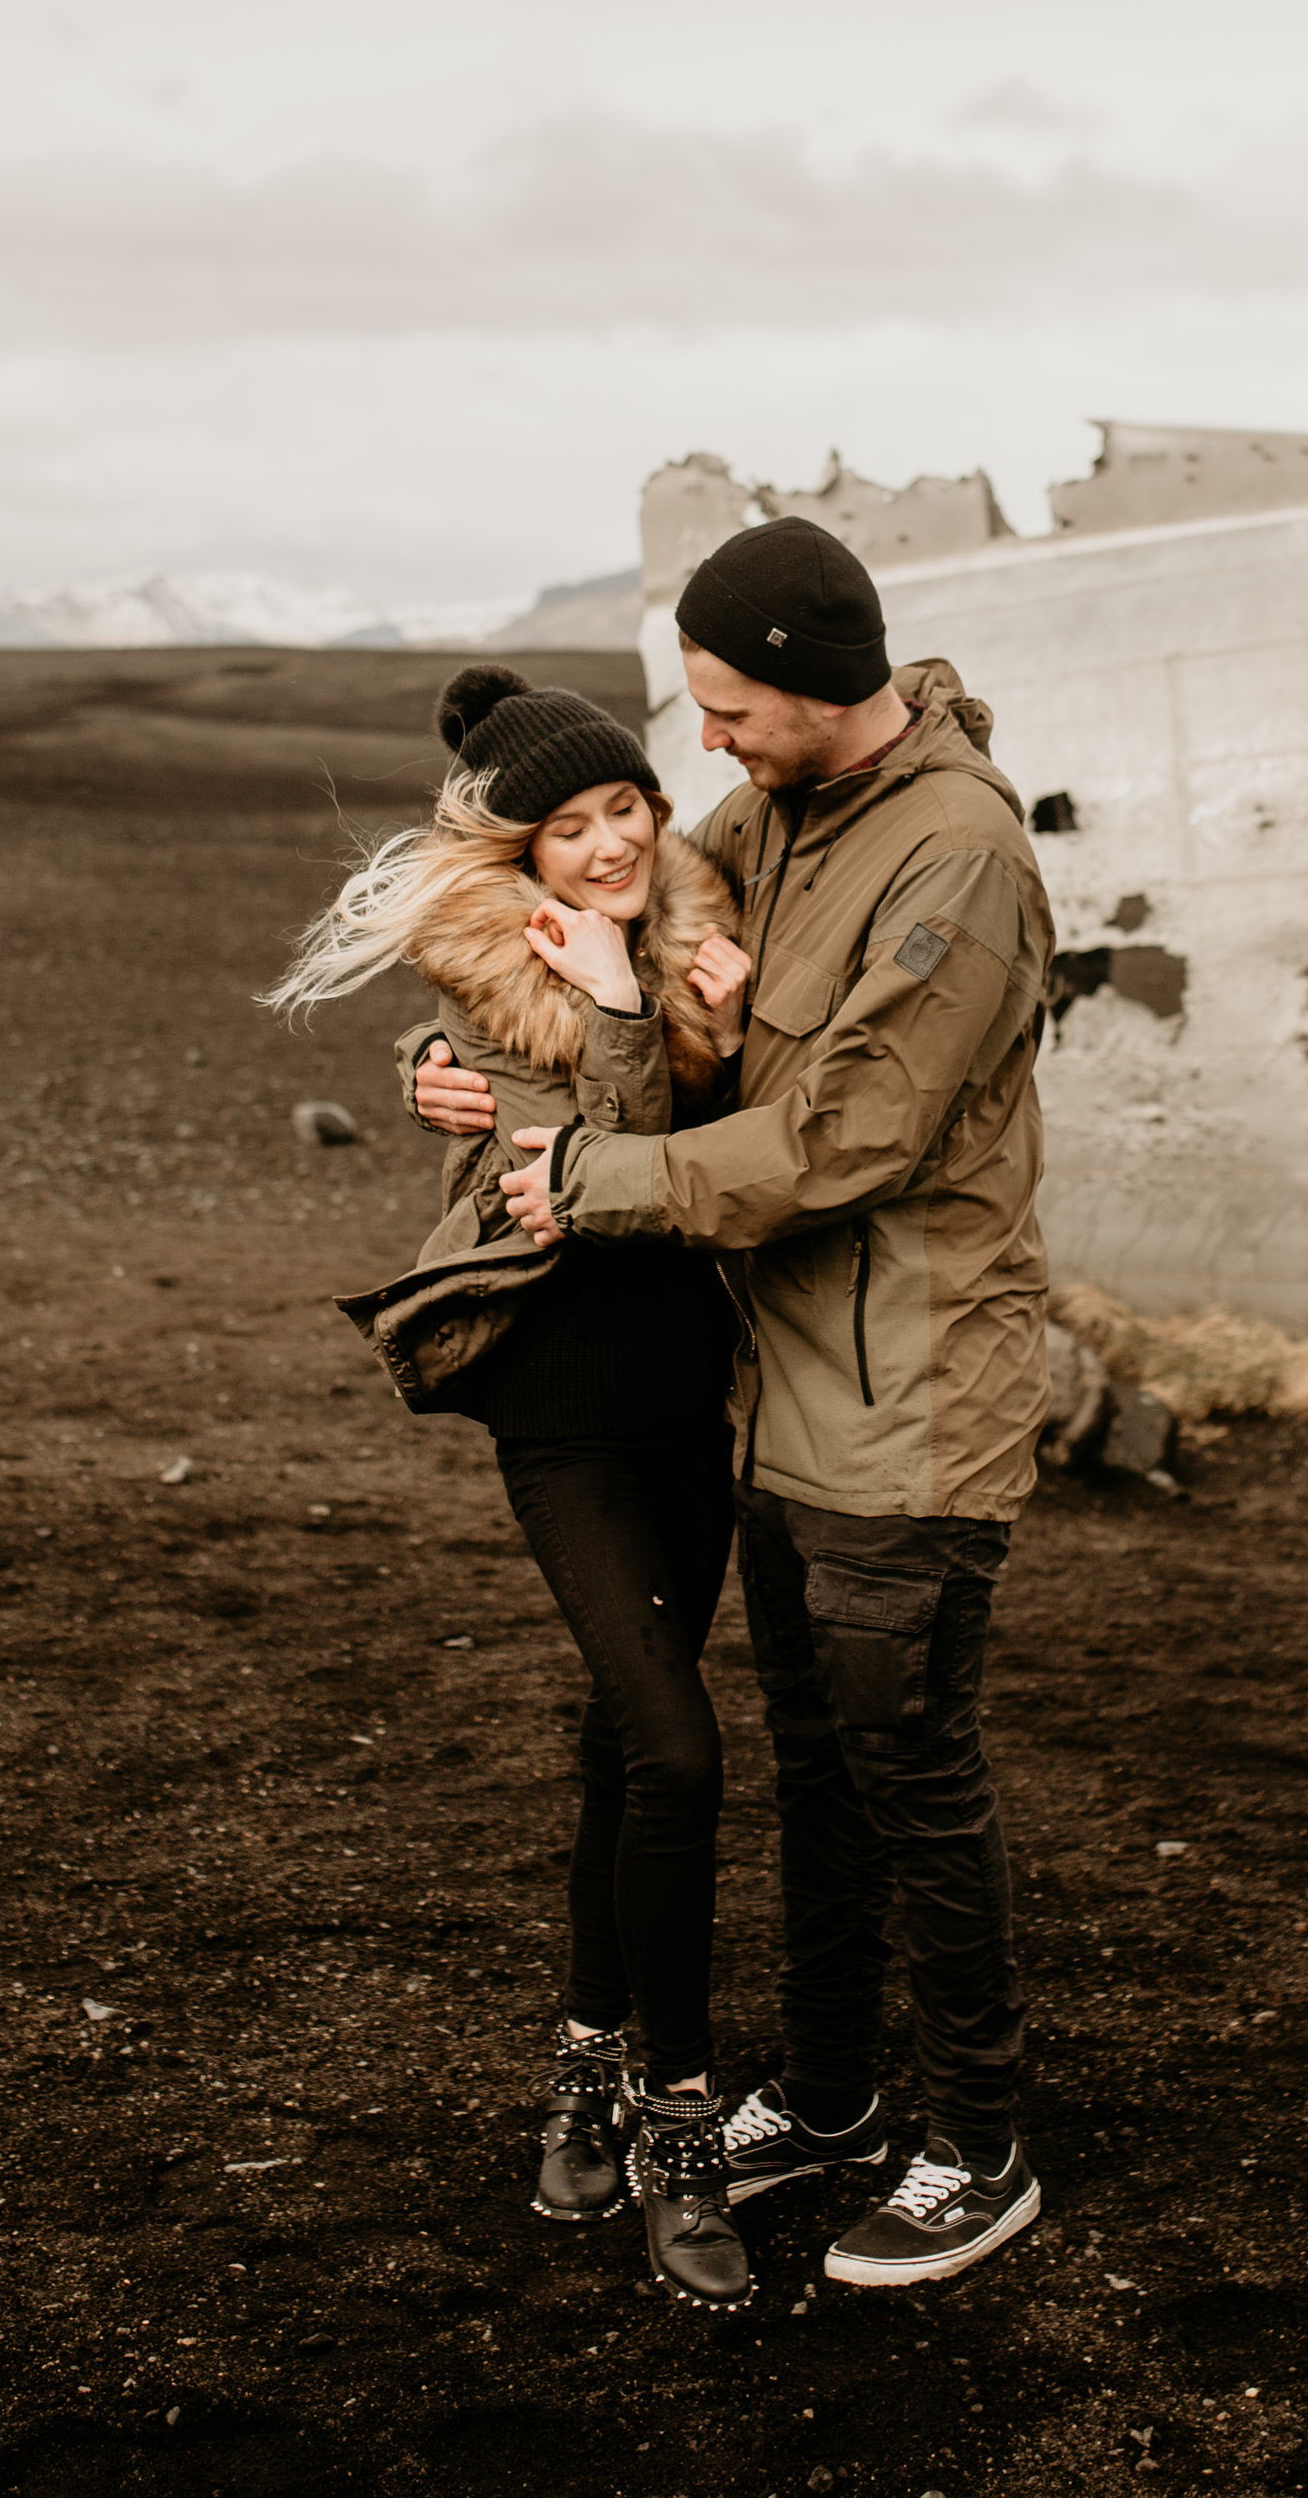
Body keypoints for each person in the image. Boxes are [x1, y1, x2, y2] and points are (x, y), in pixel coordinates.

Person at [412, 519, 1055, 2290]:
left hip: (912, 1398)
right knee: (823, 1768)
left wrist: (586, 1177)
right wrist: (454, 1054)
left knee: (913, 1769)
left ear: (805, 681)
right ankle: (840, 2094)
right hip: (780, 1388)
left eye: (724, 707)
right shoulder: (776, 819)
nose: (703, 746)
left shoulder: (957, 855)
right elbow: (575, 922)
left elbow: (850, 1135)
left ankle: (981, 2144)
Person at [268, 663, 759, 2310]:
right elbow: (588, 1169)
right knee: (680, 1745)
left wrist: (677, 970)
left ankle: (582, 2060)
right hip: (559, 1397)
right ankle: (675, 2129)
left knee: (627, 1739)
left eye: (626, 805)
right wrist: (617, 992)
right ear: (519, 850)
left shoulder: (693, 912)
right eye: (573, 823)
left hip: (691, 1388)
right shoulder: (499, 972)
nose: (613, 839)